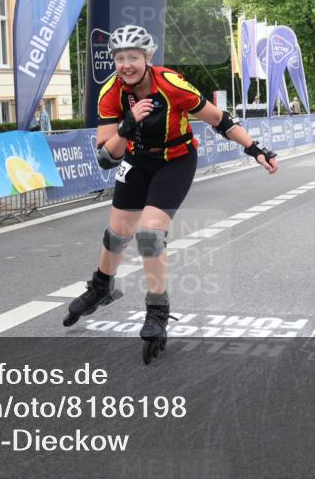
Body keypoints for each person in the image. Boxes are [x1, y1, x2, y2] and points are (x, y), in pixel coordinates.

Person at [63, 25, 278, 363]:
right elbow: (106, 157)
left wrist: (256, 150)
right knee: (117, 233)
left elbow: (219, 120)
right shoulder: (111, 91)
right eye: (120, 58)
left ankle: (157, 309)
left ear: (148, 57)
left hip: (175, 160)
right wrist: (127, 125)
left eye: (133, 57)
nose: (126, 65)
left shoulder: (171, 84)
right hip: (136, 159)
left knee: (149, 234)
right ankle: (101, 286)